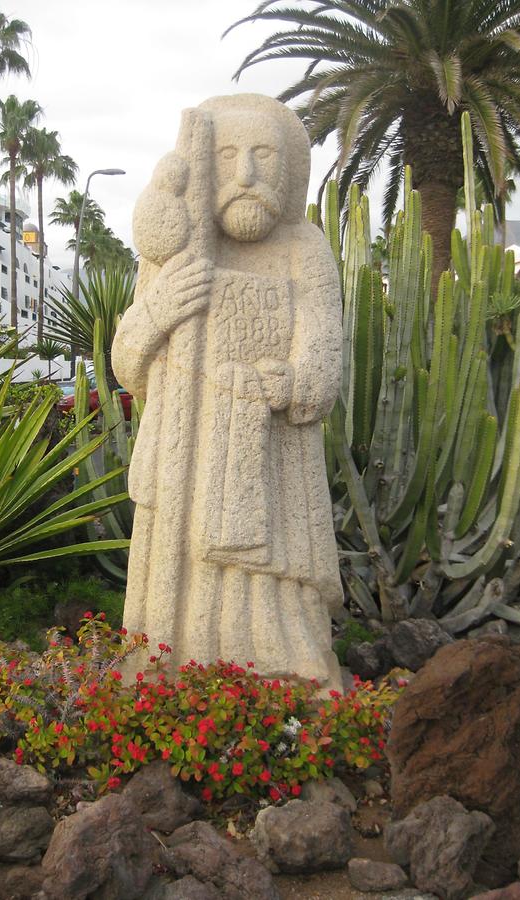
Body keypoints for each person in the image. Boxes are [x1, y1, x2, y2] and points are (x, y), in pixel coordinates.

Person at [112, 94, 343, 687]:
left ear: (287, 170)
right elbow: (127, 365)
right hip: (182, 463)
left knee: (275, 599)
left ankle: (287, 673)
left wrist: (289, 383)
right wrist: (162, 306)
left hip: (273, 471)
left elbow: (323, 363)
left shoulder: (304, 250)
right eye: (230, 156)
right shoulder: (176, 252)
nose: (247, 174)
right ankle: (169, 666)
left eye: (264, 155)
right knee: (175, 593)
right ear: (207, 168)